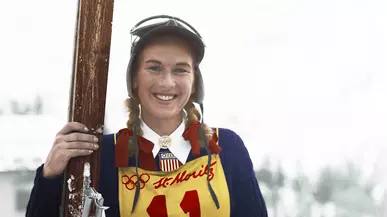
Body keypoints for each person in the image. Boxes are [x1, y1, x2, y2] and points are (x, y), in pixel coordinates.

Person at [25, 15, 268, 217]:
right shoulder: (102, 157)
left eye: (180, 70)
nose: (167, 82)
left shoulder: (226, 148)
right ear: (134, 79)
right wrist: (51, 176)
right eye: (154, 67)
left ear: (194, 83)